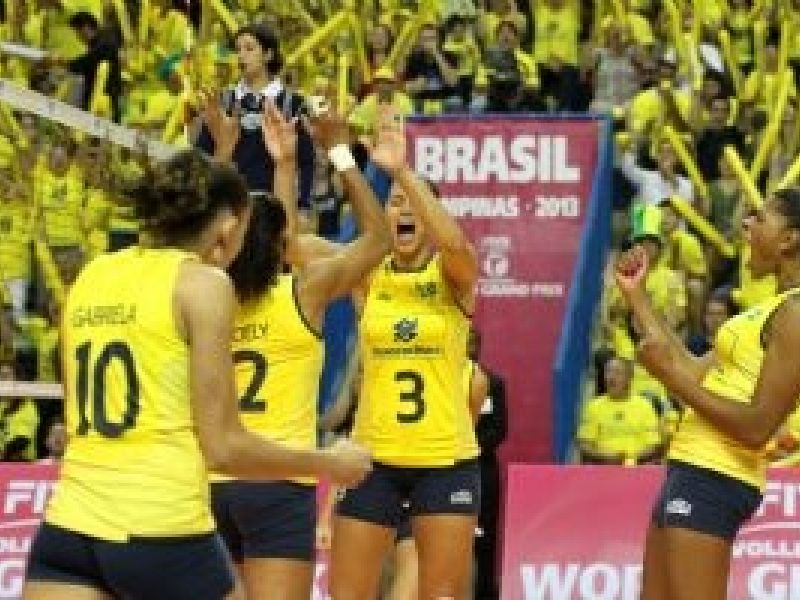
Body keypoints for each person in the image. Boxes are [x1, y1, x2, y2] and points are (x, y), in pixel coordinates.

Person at [23, 149, 371, 600]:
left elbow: (74, 415)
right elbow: (224, 447)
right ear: (226, 229)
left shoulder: (93, 274)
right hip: (161, 527)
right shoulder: (203, 285)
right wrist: (329, 463)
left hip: (68, 530)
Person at [208, 103, 390, 600]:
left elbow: (215, 233)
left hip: (212, 479)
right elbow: (379, 238)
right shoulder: (304, 292)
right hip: (280, 480)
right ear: (282, 246)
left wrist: (230, 152)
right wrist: (339, 151)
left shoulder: (208, 294)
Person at [615, 187, 800, 599]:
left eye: (760, 218)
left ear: (789, 238)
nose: (746, 224)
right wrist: (637, 297)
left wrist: (670, 376)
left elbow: (757, 428)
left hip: (717, 476)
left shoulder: (796, 314)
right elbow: (690, 371)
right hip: (689, 469)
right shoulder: (768, 310)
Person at [329, 115, 481, 599]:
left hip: (445, 461)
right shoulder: (367, 273)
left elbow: (455, 243)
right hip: (372, 458)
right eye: (395, 203)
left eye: (415, 203)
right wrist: (338, 155)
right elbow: (295, 244)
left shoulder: (453, 275)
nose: (405, 210)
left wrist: (401, 173)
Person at [196, 23, 314, 208]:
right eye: (238, 50)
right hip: (228, 206)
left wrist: (303, 205)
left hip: (276, 206)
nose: (241, 55)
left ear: (268, 54)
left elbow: (306, 161)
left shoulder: (294, 103)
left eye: (249, 48)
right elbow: (202, 155)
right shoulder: (223, 101)